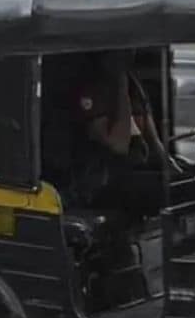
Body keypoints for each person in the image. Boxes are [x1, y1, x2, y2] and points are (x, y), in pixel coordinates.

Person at [70, 49, 173, 212]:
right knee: (161, 189)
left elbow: (153, 141)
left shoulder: (135, 86)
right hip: (109, 175)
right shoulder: (93, 91)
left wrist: (172, 169)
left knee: (190, 184)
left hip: (139, 164)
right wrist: (121, 85)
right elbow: (119, 145)